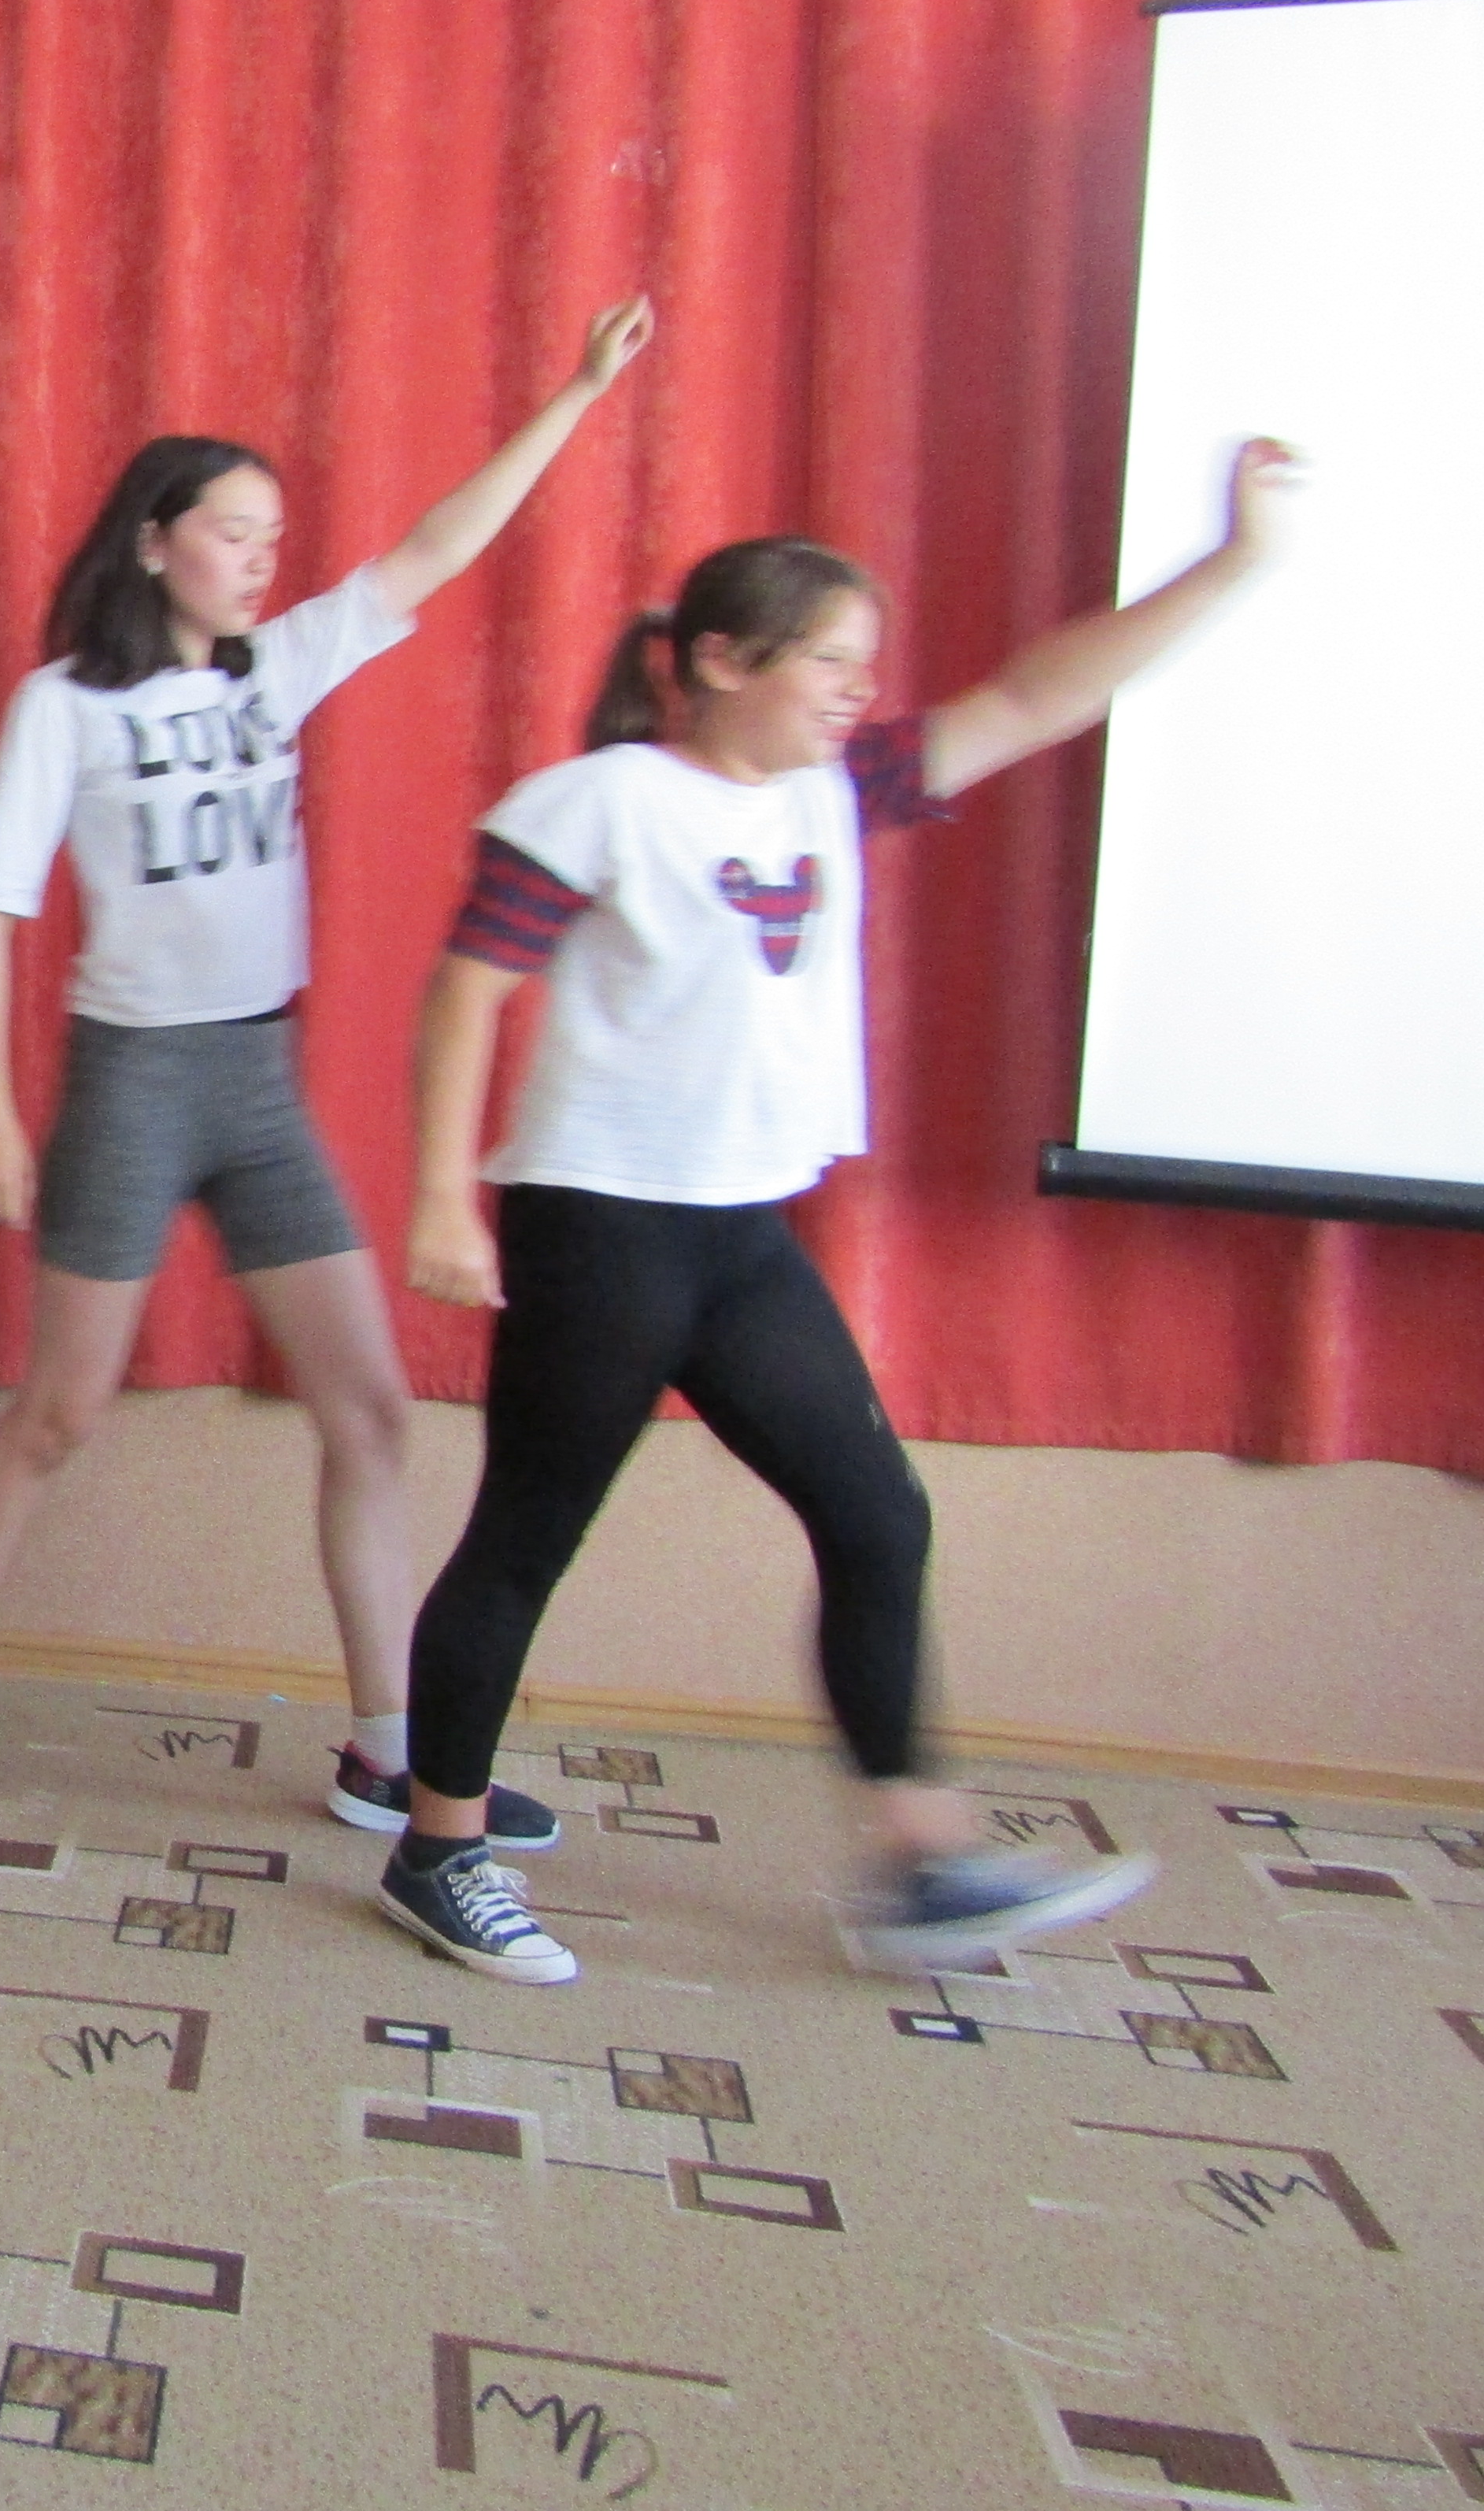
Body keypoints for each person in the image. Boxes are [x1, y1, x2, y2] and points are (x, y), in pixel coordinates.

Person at [381, 439, 1307, 1985]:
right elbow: (464, 990)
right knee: (525, 1538)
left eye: (861, 666)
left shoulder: (834, 787)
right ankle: (437, 1851)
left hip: (741, 1234)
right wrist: (437, 1196)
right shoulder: (597, 801)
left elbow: (1034, 697)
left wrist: (1234, 562)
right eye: (825, 660)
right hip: (600, 1222)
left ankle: (918, 1863)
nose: (853, 690)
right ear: (716, 661)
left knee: (876, 1513)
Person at [0, 303, 657, 1820]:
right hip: (130, 1081)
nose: (260, 559)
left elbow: (435, 547)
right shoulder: (66, 704)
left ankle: (388, 1744)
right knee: (60, 1409)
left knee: (367, 1409)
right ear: (153, 540)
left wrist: (576, 390)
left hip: (256, 1086)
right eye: (233, 532)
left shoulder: (272, 668)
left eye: (273, 537)